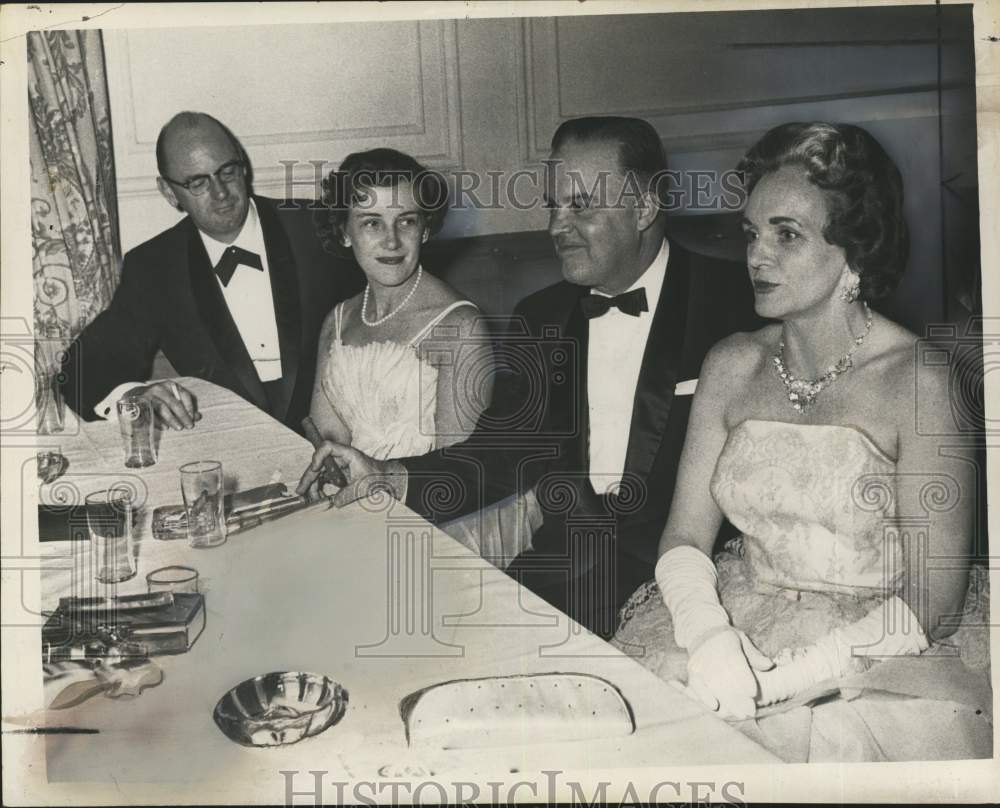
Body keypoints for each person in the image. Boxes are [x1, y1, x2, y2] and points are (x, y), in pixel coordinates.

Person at [612, 122, 992, 762]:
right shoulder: (731, 363)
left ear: (857, 252)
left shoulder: (921, 380)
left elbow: (935, 599)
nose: (757, 256)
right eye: (752, 233)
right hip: (741, 616)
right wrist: (709, 639)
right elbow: (683, 536)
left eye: (787, 234)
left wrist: (784, 681)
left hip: (880, 660)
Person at [297, 117, 760, 639]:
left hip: (697, 580)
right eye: (553, 205)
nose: (557, 227)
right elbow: (499, 455)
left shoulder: (738, 304)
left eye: (580, 205)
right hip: (565, 564)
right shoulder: (541, 316)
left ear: (645, 208)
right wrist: (388, 478)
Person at [303, 148, 542, 566]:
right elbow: (329, 435)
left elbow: (464, 478)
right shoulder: (337, 320)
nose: (392, 241)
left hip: (438, 525)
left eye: (406, 221)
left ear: (426, 230)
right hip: (360, 506)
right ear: (344, 231)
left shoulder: (459, 326)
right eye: (371, 223)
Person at [59, 111, 362, 433]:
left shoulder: (316, 226)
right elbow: (84, 368)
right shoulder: (154, 267)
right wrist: (133, 395)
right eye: (198, 182)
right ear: (169, 192)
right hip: (229, 446)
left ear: (243, 166)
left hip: (340, 434)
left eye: (227, 172)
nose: (220, 193)